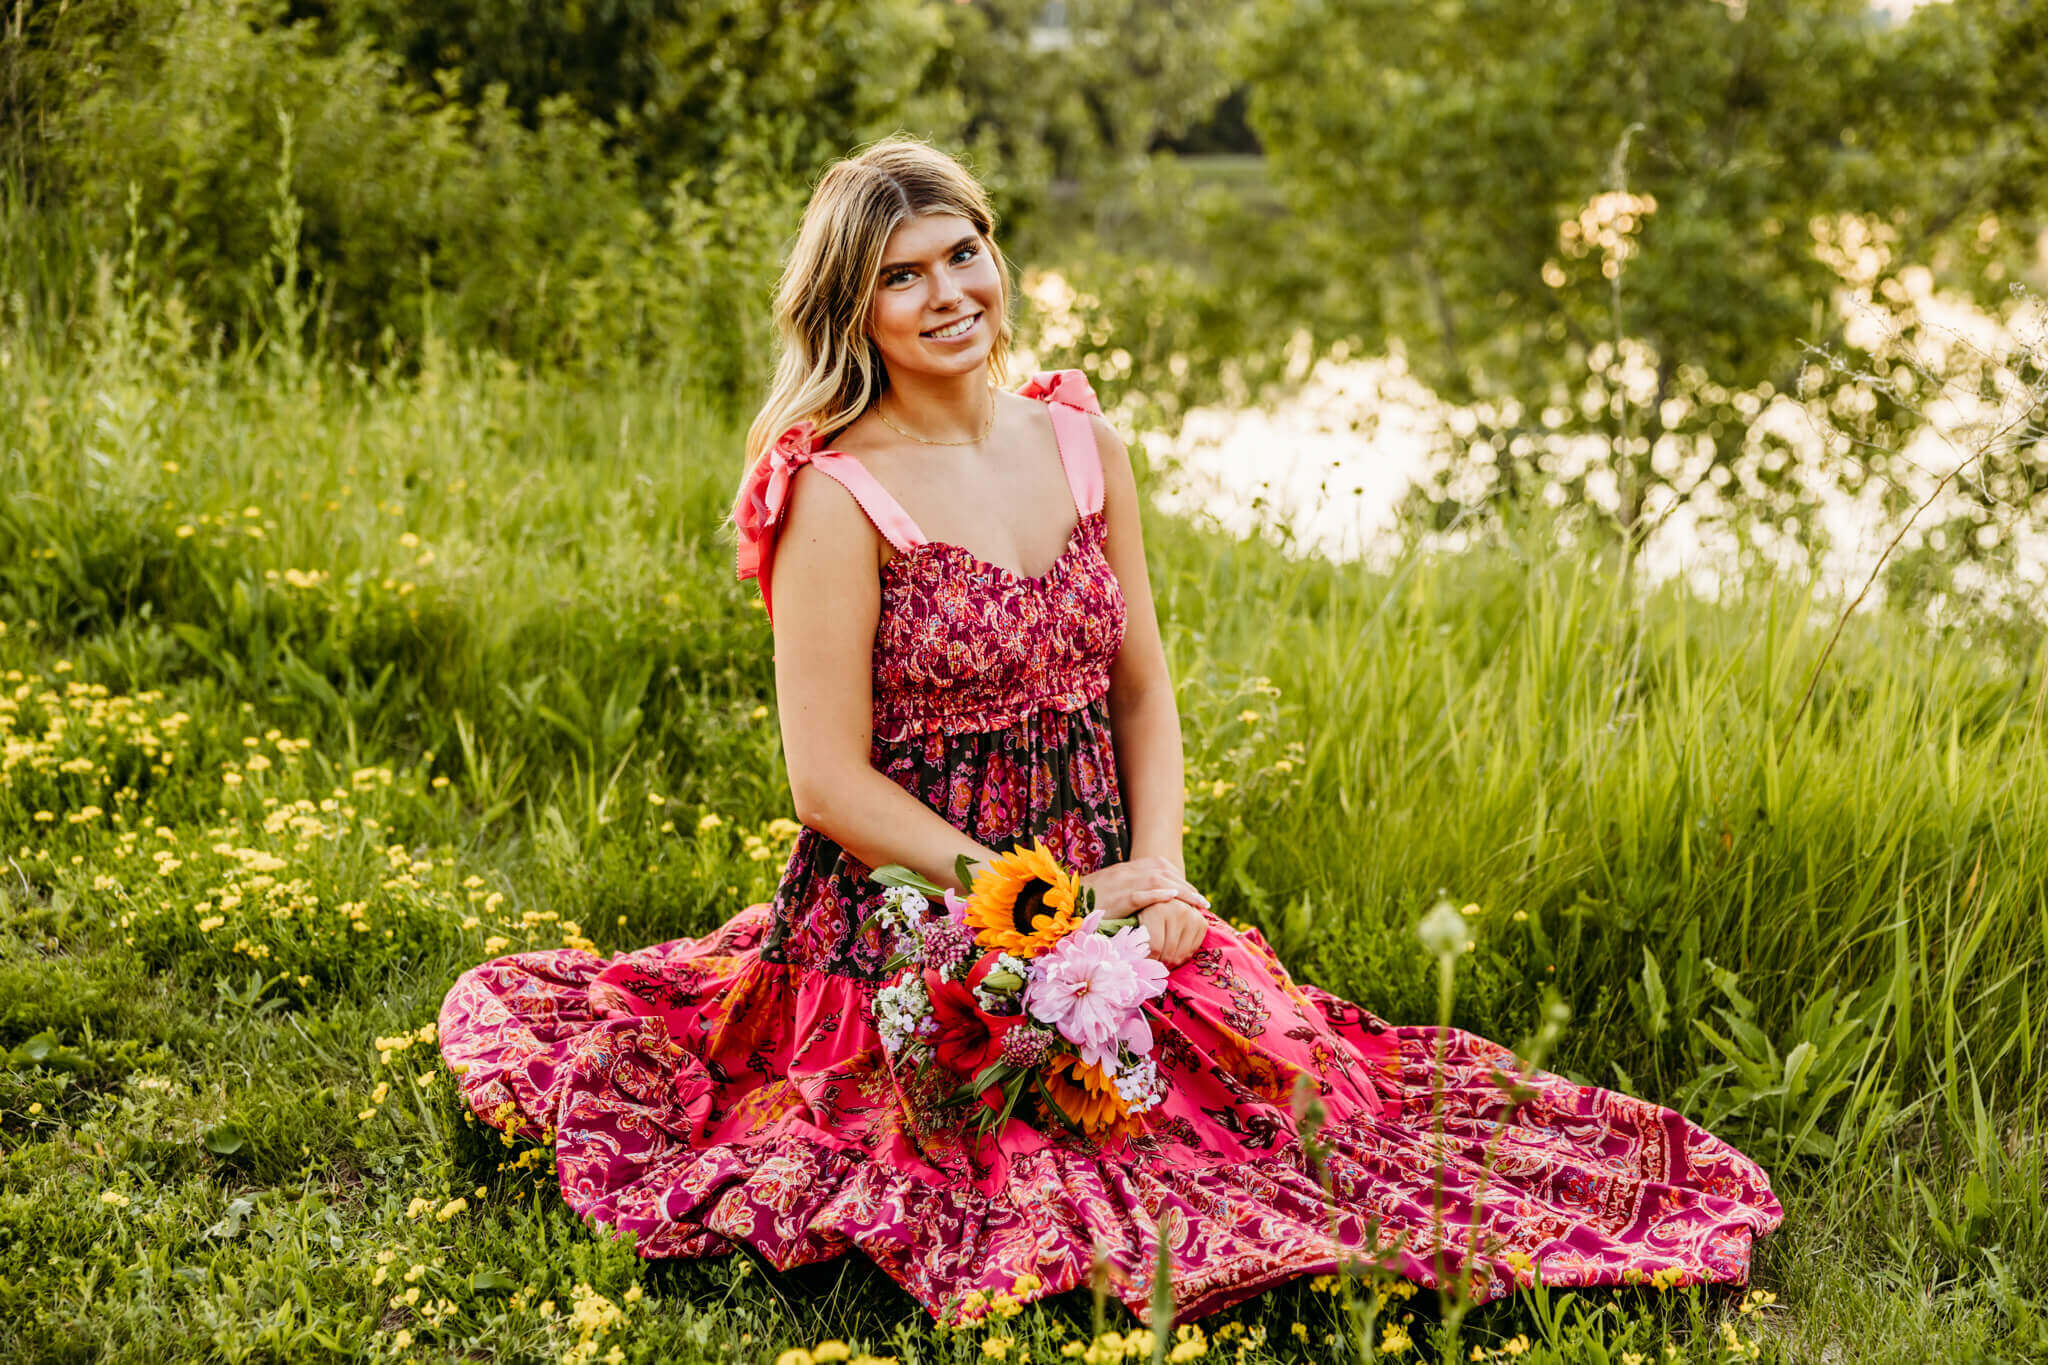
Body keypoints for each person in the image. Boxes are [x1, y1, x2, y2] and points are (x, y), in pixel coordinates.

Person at [436, 134, 1782, 1325]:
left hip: (1109, 887)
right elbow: (827, 779)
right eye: (903, 276)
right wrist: (1024, 902)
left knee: (1296, 1107)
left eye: (964, 252)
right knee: (1012, 1153)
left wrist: (1162, 872)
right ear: (854, 308)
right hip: (919, 909)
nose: (950, 293)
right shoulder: (833, 495)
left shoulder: (1083, 442)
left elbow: (1140, 684)